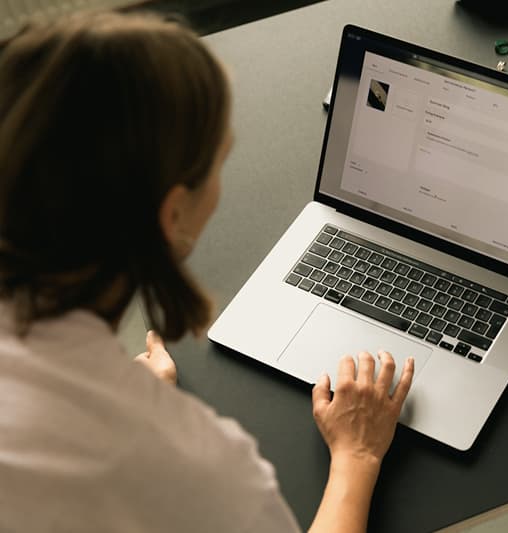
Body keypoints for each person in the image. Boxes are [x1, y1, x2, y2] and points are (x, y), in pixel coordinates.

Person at [0, 11, 414, 533]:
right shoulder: (203, 470)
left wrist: (123, 403)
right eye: (220, 161)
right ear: (172, 216)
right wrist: (358, 457)